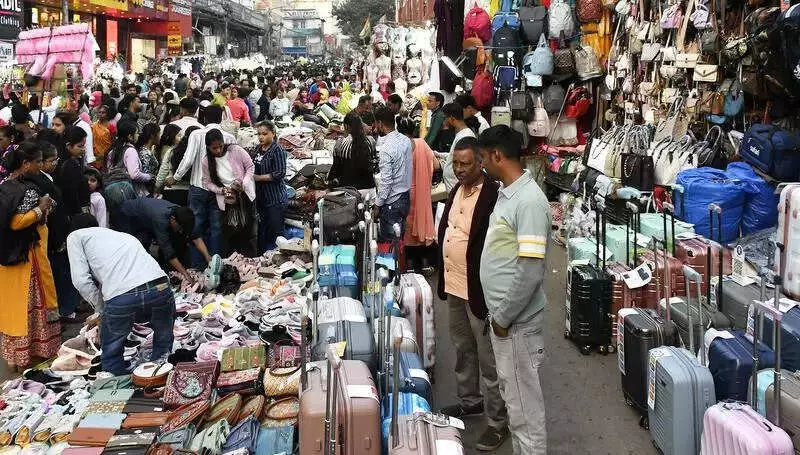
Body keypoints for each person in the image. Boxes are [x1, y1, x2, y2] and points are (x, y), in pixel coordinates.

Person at [478, 125, 550, 455]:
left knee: (524, 411)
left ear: (497, 155)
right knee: (515, 400)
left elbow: (530, 270)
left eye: (483, 158)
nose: (482, 165)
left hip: (516, 323)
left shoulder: (529, 201)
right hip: (506, 321)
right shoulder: (508, 193)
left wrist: (503, 317)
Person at [436, 136, 508, 450]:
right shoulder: (456, 190)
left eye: (466, 164)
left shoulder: (493, 194)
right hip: (454, 285)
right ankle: (470, 401)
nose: (460, 169)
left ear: (480, 162)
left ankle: (498, 422)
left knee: (489, 359)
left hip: (479, 291)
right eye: (456, 163)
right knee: (463, 348)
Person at [66, 213, 174, 376]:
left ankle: (117, 385)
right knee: (163, 339)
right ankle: (160, 377)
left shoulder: (75, 236)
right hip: (160, 286)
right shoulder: (122, 235)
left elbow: (81, 281)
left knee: (112, 351)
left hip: (123, 296)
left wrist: (101, 308)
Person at [0, 143, 61, 369]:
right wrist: (40, 209)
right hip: (28, 259)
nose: (40, 165)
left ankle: (16, 359)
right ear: (25, 164)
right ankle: (34, 357)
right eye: (38, 161)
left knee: (13, 308)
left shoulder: (6, 186)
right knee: (31, 307)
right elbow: (16, 223)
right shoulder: (25, 189)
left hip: (10, 258)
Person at [168, 106, 235, 263]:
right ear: (222, 118)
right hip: (220, 189)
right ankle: (216, 264)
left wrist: (176, 177)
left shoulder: (196, 134)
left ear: (204, 118)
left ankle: (197, 264)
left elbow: (188, 160)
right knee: (216, 227)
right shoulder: (229, 137)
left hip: (198, 187)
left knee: (195, 226)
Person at [29, 140, 78, 322]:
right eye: (52, 160)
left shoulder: (47, 177)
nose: (55, 163)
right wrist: (58, 239)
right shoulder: (39, 182)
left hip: (58, 233)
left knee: (62, 271)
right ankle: (64, 310)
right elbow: (51, 215)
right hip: (52, 237)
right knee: (59, 272)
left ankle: (67, 307)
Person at [119, 198, 212, 281]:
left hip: (148, 216)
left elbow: (195, 236)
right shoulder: (161, 220)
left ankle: (169, 270)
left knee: (178, 239)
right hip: (129, 216)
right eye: (180, 228)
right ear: (172, 219)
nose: (181, 231)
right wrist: (185, 274)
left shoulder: (184, 216)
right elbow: (168, 251)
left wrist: (208, 257)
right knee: (137, 248)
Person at [201, 129, 255, 256]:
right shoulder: (206, 161)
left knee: (247, 232)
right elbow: (207, 182)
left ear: (223, 142)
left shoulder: (236, 150)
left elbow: (250, 167)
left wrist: (243, 183)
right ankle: (232, 261)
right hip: (227, 201)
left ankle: (248, 260)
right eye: (214, 148)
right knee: (229, 233)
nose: (218, 150)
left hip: (244, 197)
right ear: (208, 147)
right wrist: (221, 190)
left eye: (220, 146)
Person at [397, 116, 438, 247]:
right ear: (413, 130)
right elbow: (436, 165)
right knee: (421, 219)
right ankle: (422, 251)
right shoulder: (422, 143)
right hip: (421, 191)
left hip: (404, 192)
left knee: (407, 225)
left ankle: (408, 254)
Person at [371, 107, 412, 240]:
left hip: (392, 202)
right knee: (400, 241)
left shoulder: (386, 149)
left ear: (380, 123)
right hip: (405, 197)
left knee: (391, 245)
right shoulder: (405, 140)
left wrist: (378, 204)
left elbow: (386, 181)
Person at [252, 121, 287, 252]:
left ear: (273, 133)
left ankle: (281, 256)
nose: (261, 137)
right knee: (262, 229)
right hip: (261, 198)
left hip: (275, 198)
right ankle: (261, 256)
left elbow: (279, 173)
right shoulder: (258, 149)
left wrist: (259, 178)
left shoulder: (277, 150)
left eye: (265, 134)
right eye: (259, 134)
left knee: (277, 231)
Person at [329, 112, 377, 191]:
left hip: (349, 190)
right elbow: (374, 163)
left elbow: (335, 169)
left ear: (346, 126)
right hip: (370, 188)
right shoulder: (371, 141)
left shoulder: (340, 143)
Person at [156, 125, 199, 206]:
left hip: (171, 190)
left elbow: (163, 172)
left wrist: (157, 188)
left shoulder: (172, 151)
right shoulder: (200, 155)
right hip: (192, 191)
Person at [107, 120, 152, 197]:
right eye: (137, 133)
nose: (138, 135)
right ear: (130, 136)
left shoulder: (112, 151)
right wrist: (149, 176)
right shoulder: (130, 151)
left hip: (116, 192)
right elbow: (134, 174)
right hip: (131, 191)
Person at [440, 103, 477, 193]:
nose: (444, 122)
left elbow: (465, 163)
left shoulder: (466, 135)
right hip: (454, 188)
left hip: (460, 188)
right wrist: (437, 154)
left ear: (452, 118)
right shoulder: (460, 134)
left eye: (445, 118)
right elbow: (453, 156)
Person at [56, 127, 90, 219]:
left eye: (84, 146)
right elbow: (72, 195)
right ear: (68, 146)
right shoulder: (69, 165)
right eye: (80, 146)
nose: (83, 149)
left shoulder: (75, 160)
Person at [136, 123, 161, 192]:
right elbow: (145, 174)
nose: (160, 137)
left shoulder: (148, 149)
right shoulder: (145, 153)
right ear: (152, 136)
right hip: (146, 190)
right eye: (159, 134)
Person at [91, 103, 115, 171]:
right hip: (95, 156)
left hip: (106, 156)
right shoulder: (94, 126)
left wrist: (106, 153)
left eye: (103, 112)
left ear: (107, 114)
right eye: (99, 112)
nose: (100, 114)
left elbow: (113, 142)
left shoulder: (111, 127)